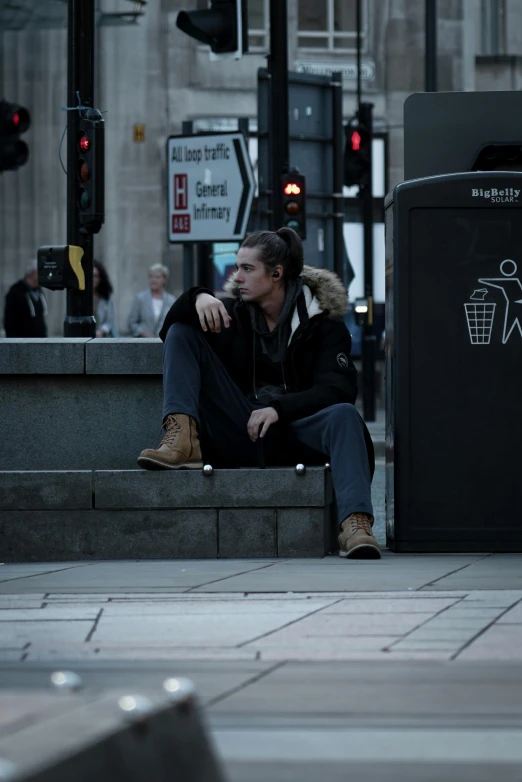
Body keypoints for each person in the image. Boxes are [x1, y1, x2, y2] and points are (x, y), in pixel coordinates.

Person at [138, 228, 379, 560]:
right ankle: (181, 440)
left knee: (345, 416)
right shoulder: (230, 315)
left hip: (295, 430)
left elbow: (338, 389)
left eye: (247, 269)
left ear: (276, 274)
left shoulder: (324, 324)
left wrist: (279, 408)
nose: (237, 277)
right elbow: (171, 333)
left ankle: (355, 523)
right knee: (183, 331)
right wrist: (197, 296)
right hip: (240, 424)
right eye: (236, 267)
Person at [127, 263, 175, 337]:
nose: (153, 280)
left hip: (164, 343)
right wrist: (143, 333)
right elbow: (131, 323)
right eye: (151, 277)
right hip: (143, 343)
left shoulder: (171, 300)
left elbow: (174, 324)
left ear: (164, 280)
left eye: (157, 277)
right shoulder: (140, 298)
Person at [3, 261, 48, 338]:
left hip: (39, 342)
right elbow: (10, 321)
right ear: (33, 273)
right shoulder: (16, 292)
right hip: (21, 342)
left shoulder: (39, 292)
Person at [93, 260, 119, 337]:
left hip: (103, 338)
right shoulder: (79, 297)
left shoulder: (106, 298)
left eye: (96, 276)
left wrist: (101, 331)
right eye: (91, 276)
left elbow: (109, 321)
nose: (93, 279)